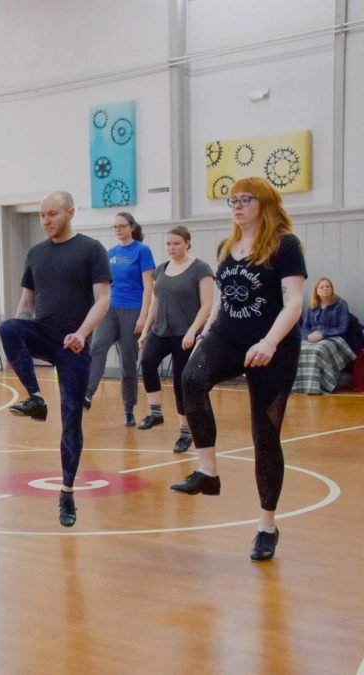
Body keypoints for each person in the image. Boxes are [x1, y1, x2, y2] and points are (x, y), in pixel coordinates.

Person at [172, 177, 306, 563]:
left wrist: (270, 342)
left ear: (264, 203)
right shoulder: (227, 246)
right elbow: (221, 300)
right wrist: (205, 332)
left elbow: (294, 302)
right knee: (191, 379)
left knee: (265, 436)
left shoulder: (285, 245)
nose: (237, 205)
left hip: (272, 345)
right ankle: (208, 472)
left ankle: (267, 526)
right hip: (227, 337)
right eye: (233, 199)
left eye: (245, 199)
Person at [0, 191, 111, 527]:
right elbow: (27, 302)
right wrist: (13, 344)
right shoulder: (35, 253)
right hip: (43, 334)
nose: (46, 221)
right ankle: (34, 398)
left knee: (72, 417)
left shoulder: (91, 250)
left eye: (52, 214)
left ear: (70, 213)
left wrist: (82, 332)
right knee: (7, 327)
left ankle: (67, 492)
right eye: (42, 215)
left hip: (74, 345)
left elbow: (103, 300)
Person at [136, 226, 214, 453]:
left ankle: (185, 432)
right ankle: (156, 413)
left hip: (184, 334)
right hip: (161, 330)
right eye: (169, 244)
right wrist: (145, 331)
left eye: (176, 243)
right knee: (147, 362)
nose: (172, 248)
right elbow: (154, 303)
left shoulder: (201, 268)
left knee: (181, 383)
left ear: (187, 243)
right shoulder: (160, 270)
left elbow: (207, 305)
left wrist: (193, 331)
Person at [85, 211, 155, 425]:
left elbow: (148, 286)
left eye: (121, 226)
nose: (118, 230)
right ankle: (87, 394)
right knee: (97, 347)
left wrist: (143, 317)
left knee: (128, 363)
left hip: (132, 311)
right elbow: (104, 285)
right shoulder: (110, 253)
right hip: (110, 309)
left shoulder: (142, 251)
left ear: (131, 227)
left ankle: (128, 409)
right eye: (114, 227)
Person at [292, 277, 356, 394]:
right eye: (322, 287)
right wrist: (308, 336)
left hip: (334, 337)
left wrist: (323, 334)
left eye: (328, 286)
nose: (325, 289)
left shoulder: (340, 304)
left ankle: (318, 387)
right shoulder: (313, 306)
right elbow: (305, 327)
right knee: (299, 349)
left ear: (332, 289)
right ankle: (300, 387)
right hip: (313, 336)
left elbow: (342, 328)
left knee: (318, 350)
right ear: (317, 291)